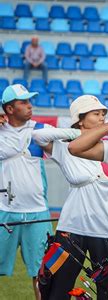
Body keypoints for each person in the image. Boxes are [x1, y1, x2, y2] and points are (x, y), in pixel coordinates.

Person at [31, 95, 108, 299]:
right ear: (80, 119)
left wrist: (99, 132)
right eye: (96, 114)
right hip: (72, 227)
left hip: (106, 229)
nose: (102, 118)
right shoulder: (64, 147)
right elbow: (39, 136)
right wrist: (81, 133)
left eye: (104, 115)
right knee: (56, 287)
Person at [0, 84, 52, 300]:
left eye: (30, 101)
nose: (30, 106)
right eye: (23, 102)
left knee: (42, 274)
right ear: (9, 109)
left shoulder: (40, 129)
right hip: (4, 211)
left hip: (38, 212)